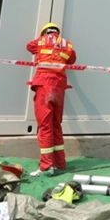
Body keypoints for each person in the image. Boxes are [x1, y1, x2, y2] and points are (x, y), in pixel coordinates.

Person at [26, 22, 77, 176]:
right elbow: (72, 60)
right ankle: (60, 163)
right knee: (56, 124)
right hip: (59, 87)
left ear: (44, 32)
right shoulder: (66, 44)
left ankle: (47, 165)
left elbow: (29, 47)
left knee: (45, 126)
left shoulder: (40, 42)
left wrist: (45, 41)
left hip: (44, 85)